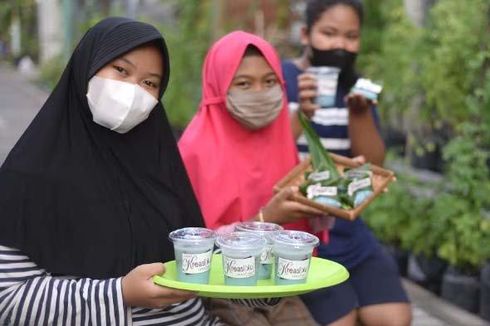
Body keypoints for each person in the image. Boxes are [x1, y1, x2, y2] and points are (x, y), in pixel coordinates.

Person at [0, 17, 223, 325]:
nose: (134, 90)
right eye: (121, 70)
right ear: (86, 67)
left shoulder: (160, 163)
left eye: (150, 83)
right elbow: (8, 300)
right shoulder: (28, 176)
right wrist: (119, 294)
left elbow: (198, 265)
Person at [281, 1, 412, 326]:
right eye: (329, 33)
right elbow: (258, 152)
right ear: (306, 34)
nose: (341, 45)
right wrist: (299, 112)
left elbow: (374, 166)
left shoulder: (359, 87)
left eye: (351, 36)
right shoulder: (281, 77)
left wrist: (360, 113)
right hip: (296, 229)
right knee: (342, 320)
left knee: (395, 317)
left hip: (347, 226)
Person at [178, 31, 322, 325]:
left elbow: (296, 213)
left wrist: (331, 193)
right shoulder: (195, 148)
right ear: (218, 85)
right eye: (244, 83)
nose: (259, 92)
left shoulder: (278, 133)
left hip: (278, 278)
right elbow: (188, 245)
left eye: (269, 82)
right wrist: (266, 218)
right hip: (220, 284)